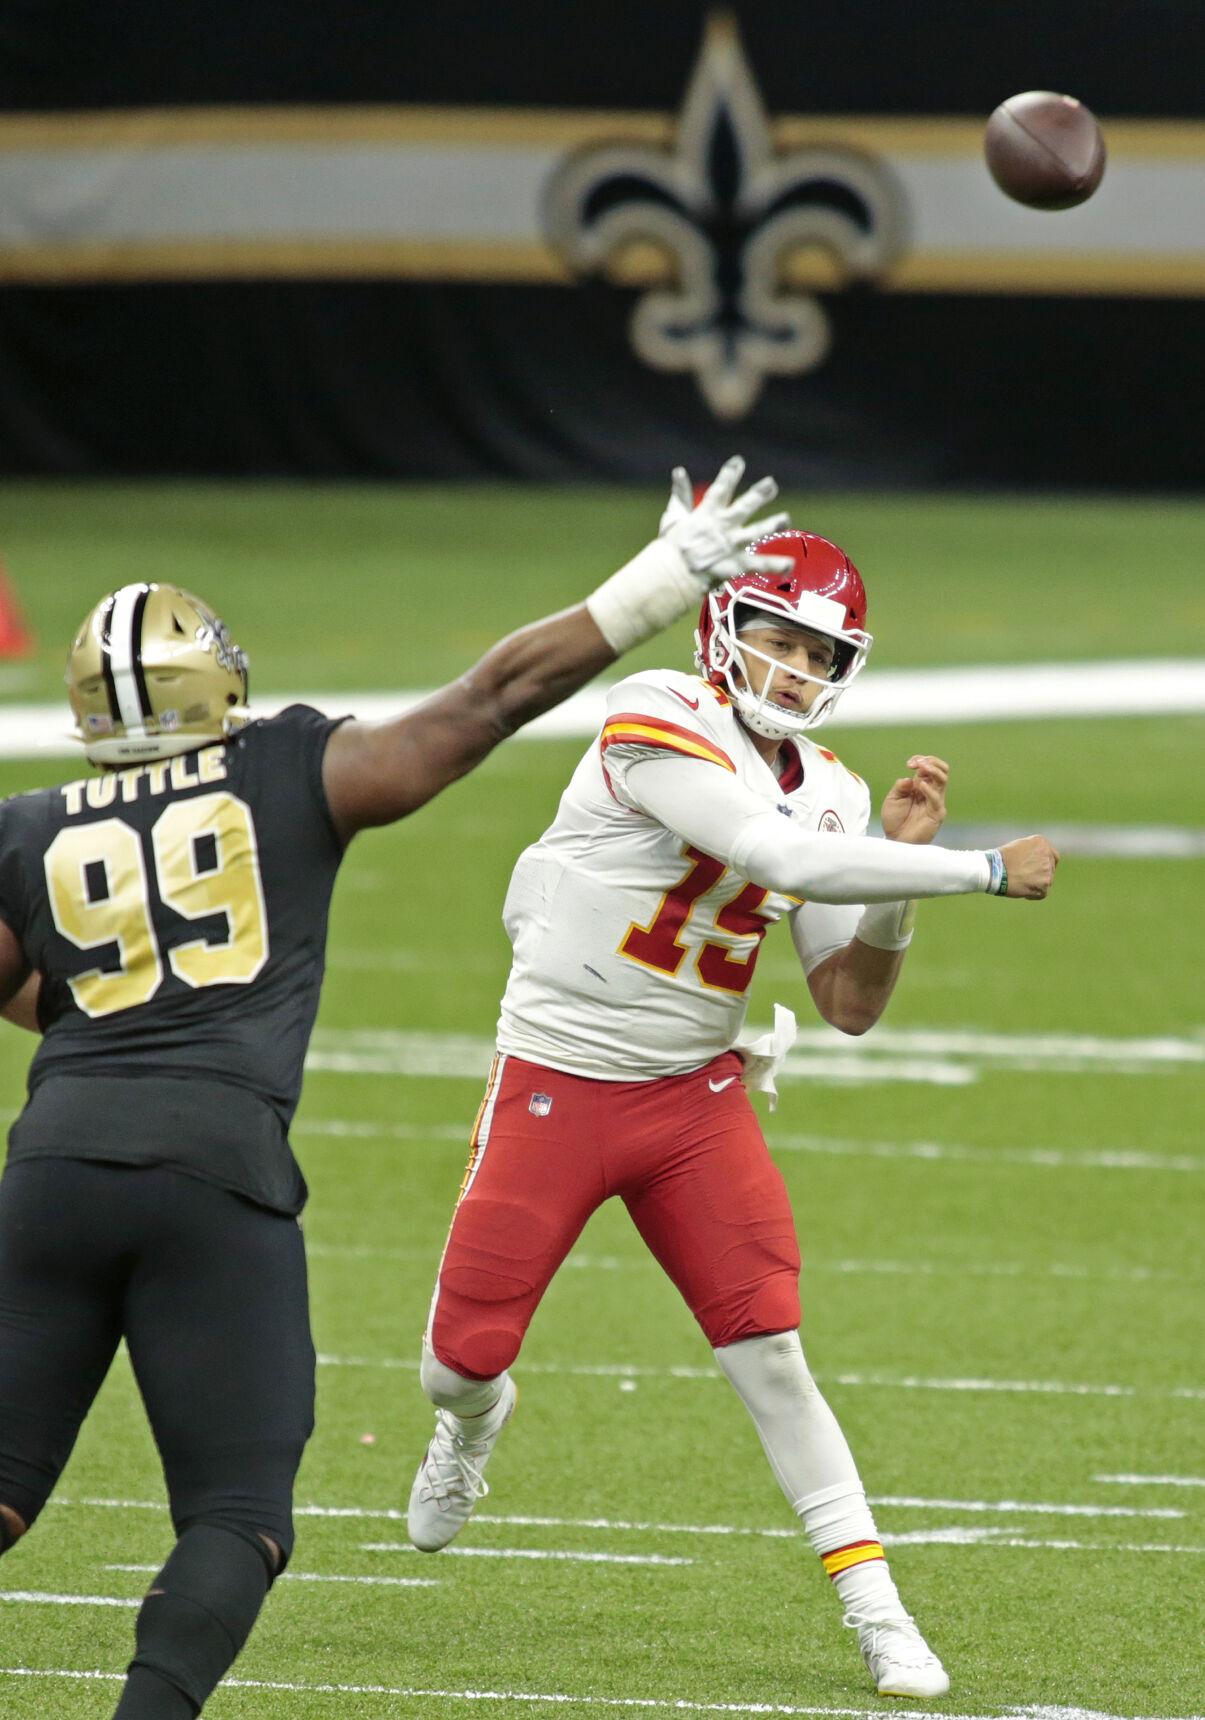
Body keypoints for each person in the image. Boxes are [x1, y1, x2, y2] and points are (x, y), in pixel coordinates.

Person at [0, 455, 792, 1720]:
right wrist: (655, 585)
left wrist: (119, 992)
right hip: (215, 1174)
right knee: (239, 1516)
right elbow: (488, 700)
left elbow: (23, 983)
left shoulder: (30, 825)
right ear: (224, 682)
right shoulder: (281, 772)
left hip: (48, 1170)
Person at [405, 505, 1060, 1701]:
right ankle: (470, 1424)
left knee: (770, 1354)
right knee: (458, 1360)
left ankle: (877, 1609)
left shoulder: (835, 789)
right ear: (723, 624)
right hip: (557, 1074)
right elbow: (777, 861)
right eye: (779, 638)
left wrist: (896, 891)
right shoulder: (655, 711)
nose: (795, 669)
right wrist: (968, 867)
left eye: (821, 655)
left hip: (690, 1097)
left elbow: (848, 999)